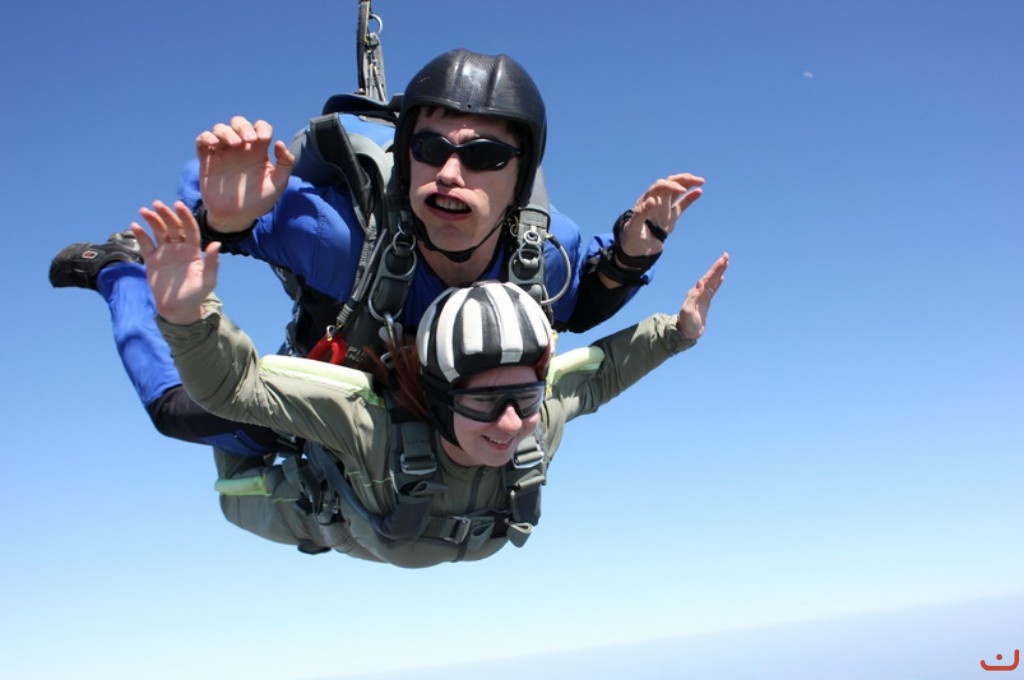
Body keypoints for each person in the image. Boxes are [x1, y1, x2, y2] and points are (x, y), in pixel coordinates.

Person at [49, 48, 704, 458]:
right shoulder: (343, 238)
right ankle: (115, 273)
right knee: (177, 413)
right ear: (405, 160)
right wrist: (226, 219)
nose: (450, 173)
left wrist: (634, 249)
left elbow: (578, 306)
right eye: (429, 149)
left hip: (443, 413)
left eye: (484, 157)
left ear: (520, 178)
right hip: (340, 391)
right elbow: (198, 214)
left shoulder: (547, 253)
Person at [135, 199, 729, 567]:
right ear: (439, 397)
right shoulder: (366, 425)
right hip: (308, 513)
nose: (510, 423)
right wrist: (189, 316)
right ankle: (119, 273)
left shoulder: (536, 417)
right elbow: (235, 388)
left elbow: (600, 376)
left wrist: (677, 332)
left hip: (386, 528)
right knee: (192, 433)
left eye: (524, 396)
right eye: (483, 401)